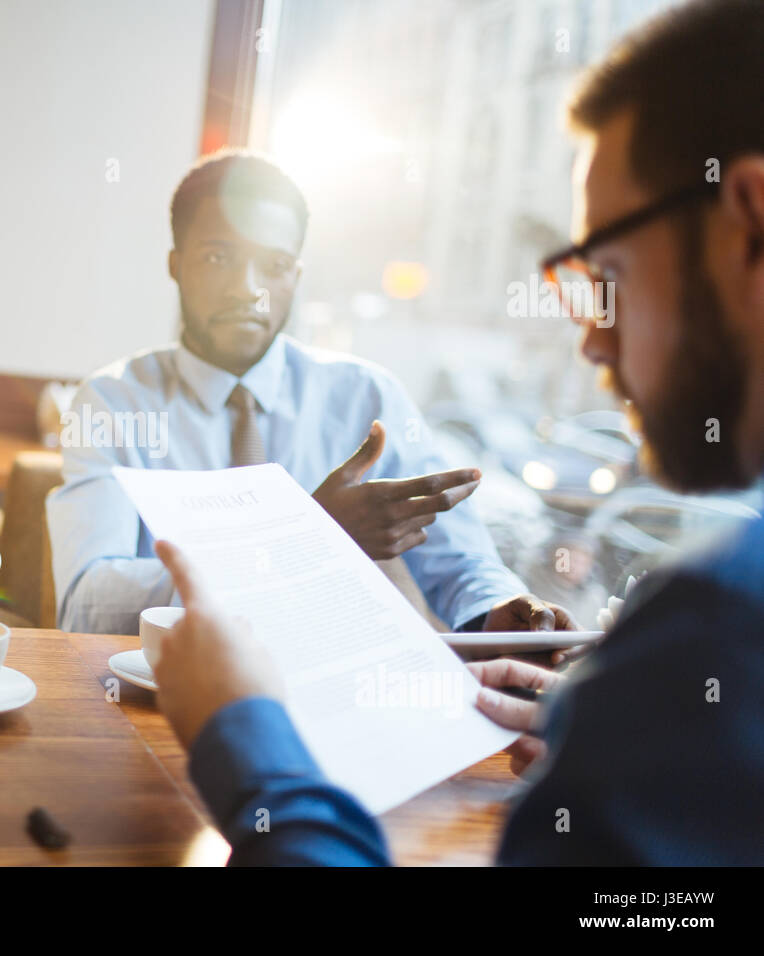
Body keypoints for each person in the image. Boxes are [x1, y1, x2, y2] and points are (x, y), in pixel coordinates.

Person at [150, 0, 764, 865]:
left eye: (607, 274)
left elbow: (461, 557)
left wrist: (245, 737)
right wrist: (623, 748)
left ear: (750, 225)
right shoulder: (116, 401)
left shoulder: (723, 622)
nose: (590, 336)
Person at [47, 149, 573, 636]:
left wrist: (499, 613)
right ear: (175, 265)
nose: (246, 289)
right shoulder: (114, 404)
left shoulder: (367, 399)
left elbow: (461, 563)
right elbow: (86, 606)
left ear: (295, 276)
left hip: (337, 697)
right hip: (159, 696)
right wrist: (302, 539)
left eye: (273, 266)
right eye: (216, 258)